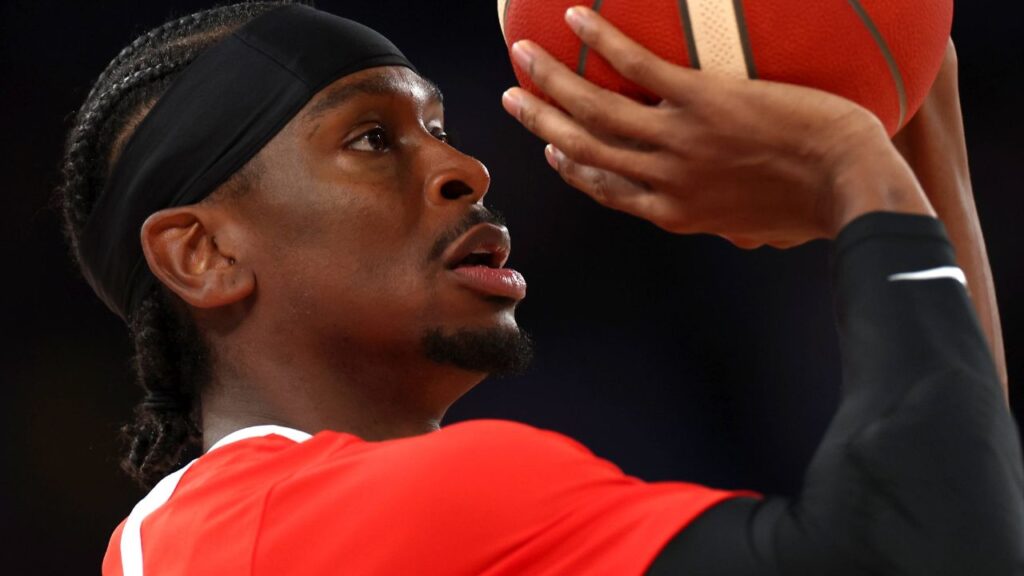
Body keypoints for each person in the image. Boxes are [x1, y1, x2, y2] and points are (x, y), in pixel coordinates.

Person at [54, 2, 1020, 575]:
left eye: (441, 128)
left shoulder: (248, 533)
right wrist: (850, 161)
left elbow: (940, 517)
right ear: (202, 256)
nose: (465, 168)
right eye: (371, 139)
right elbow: (922, 548)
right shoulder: (376, 518)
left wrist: (911, 119)